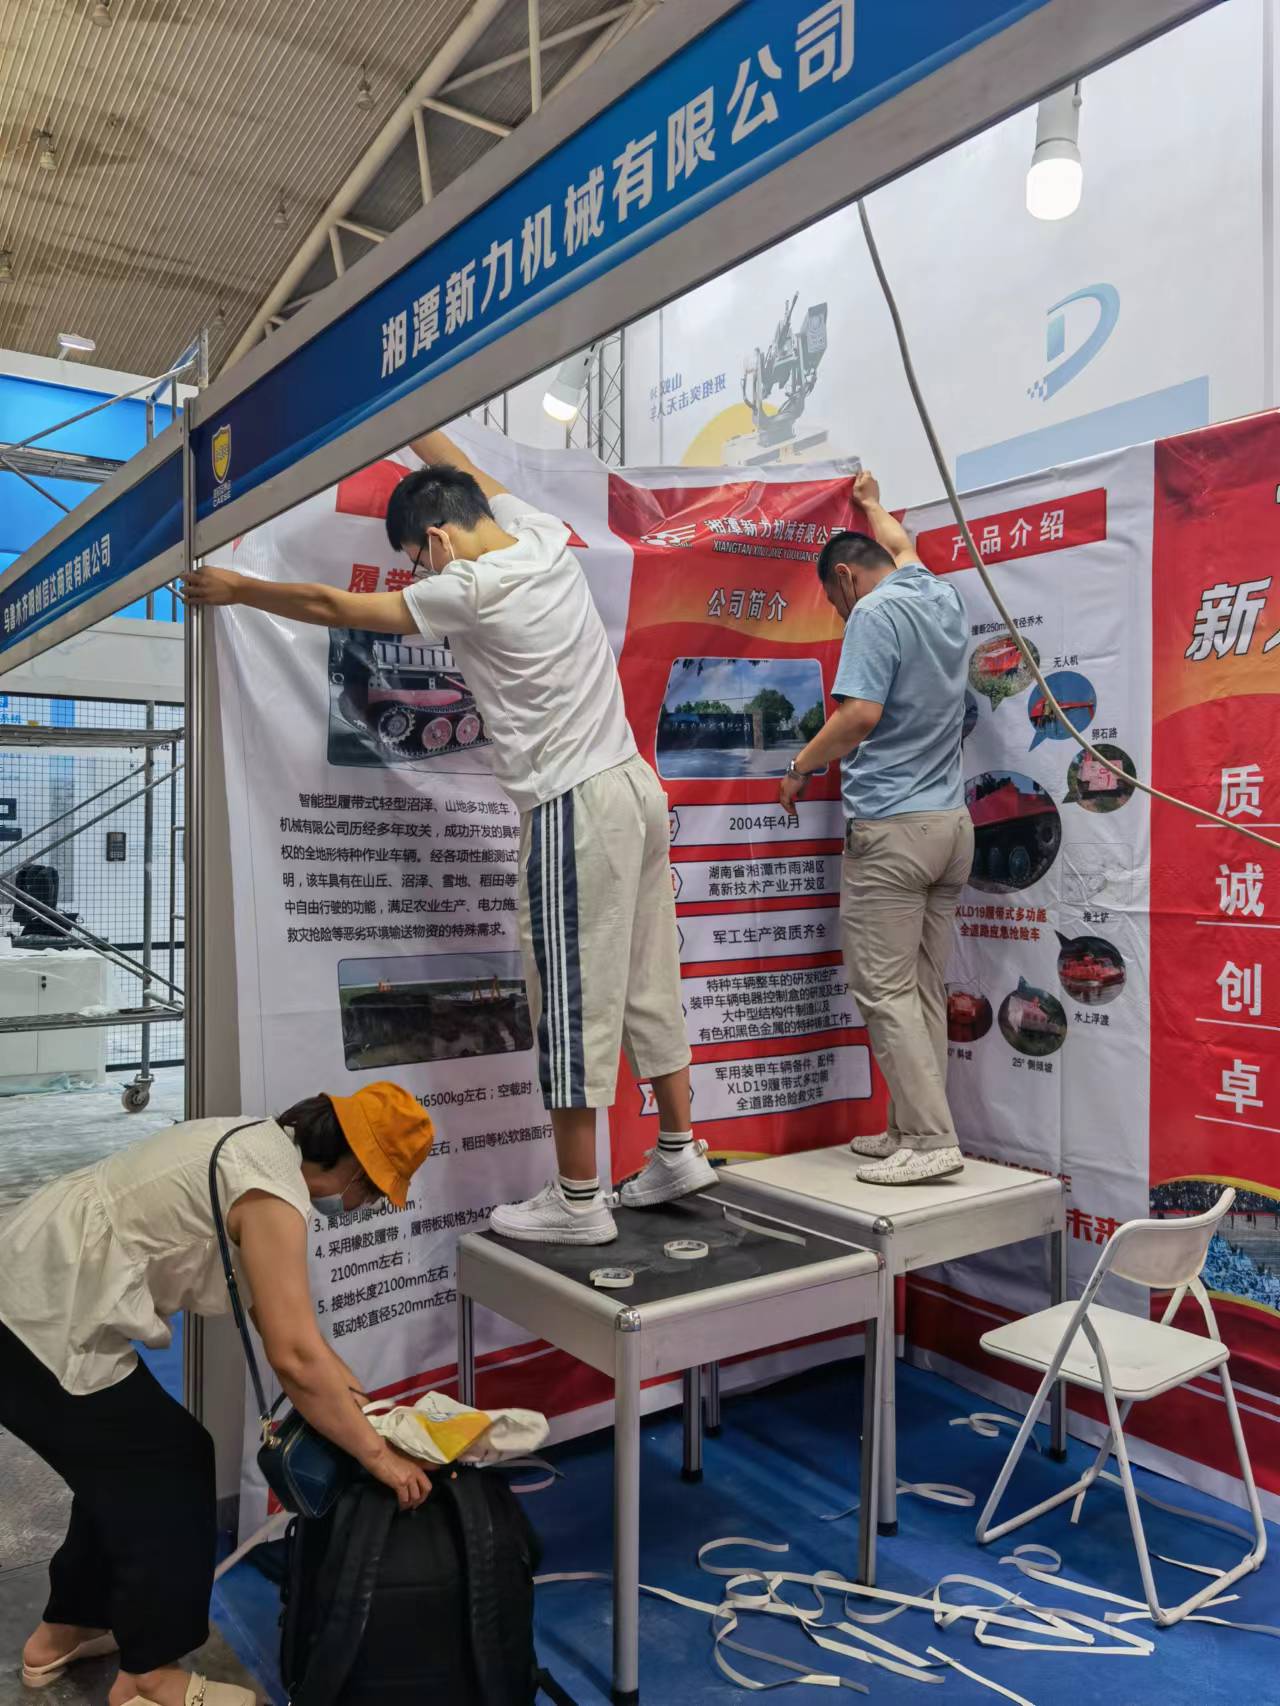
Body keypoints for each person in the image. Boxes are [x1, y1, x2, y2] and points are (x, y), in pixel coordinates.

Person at [183, 430, 714, 1246]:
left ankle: (579, 1199)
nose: (420, 575)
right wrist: (411, 424)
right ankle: (677, 1151)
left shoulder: (471, 585)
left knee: (571, 1000)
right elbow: (474, 474)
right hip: (632, 787)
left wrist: (238, 589)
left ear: (436, 540)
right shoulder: (538, 535)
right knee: (647, 977)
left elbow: (335, 608)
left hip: (574, 804)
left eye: (416, 560)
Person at [0, 1082, 435, 1706]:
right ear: (353, 1169)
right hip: (39, 1321)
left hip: (36, 1294)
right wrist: (378, 1456)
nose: (362, 1207)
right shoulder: (272, 1194)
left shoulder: (258, 1149)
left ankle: (68, 1630)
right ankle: (148, 1678)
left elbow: (291, 1331)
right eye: (372, 1192)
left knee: (125, 1463)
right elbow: (294, 1356)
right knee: (169, 1465)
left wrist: (366, 1414)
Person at [778, 470, 972, 1186]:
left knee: (883, 989)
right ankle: (911, 1127)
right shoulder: (936, 592)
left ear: (845, 578)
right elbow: (900, 542)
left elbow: (859, 715)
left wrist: (799, 766)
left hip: (893, 830)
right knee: (920, 987)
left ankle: (932, 1138)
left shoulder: (874, 613)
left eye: (835, 601)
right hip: (950, 828)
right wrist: (869, 503)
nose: (839, 615)